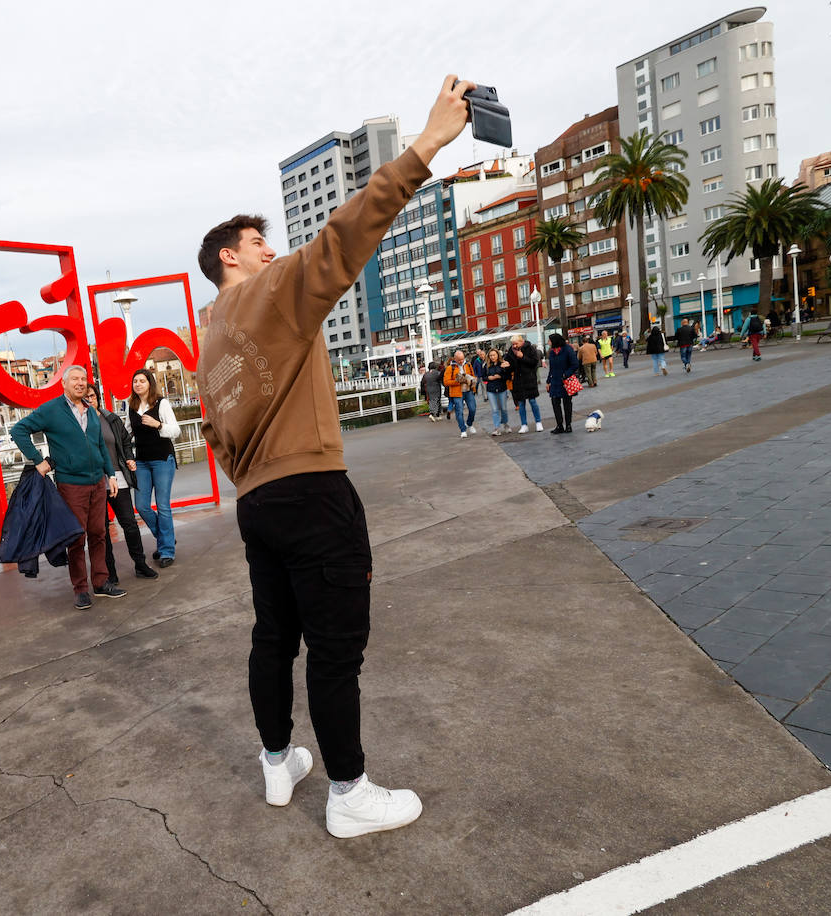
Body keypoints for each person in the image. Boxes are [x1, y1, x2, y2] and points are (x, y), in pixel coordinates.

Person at [194, 73, 475, 839]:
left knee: (273, 637)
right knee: (335, 649)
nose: (271, 249)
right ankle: (348, 793)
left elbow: (216, 436)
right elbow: (343, 238)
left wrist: (254, 477)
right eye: (257, 243)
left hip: (258, 504)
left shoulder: (210, 340)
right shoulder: (271, 293)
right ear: (230, 257)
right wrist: (427, 143)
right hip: (312, 492)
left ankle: (277, 760)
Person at [9, 365, 126, 609]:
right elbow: (18, 430)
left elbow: (100, 446)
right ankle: (81, 589)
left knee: (99, 534)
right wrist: (37, 460)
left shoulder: (91, 411)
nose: (80, 383)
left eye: (83, 379)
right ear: (64, 383)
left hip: (97, 482)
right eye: (75, 379)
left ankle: (101, 583)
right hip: (71, 484)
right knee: (76, 538)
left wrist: (111, 474)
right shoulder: (52, 410)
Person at [86, 383, 158, 582]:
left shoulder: (110, 418)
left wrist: (129, 458)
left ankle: (140, 564)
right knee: (101, 530)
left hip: (117, 476)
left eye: (92, 396)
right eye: (85, 398)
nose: (89, 400)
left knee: (129, 523)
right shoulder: (79, 422)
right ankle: (110, 574)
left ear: (97, 398)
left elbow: (125, 441)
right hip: (95, 480)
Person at [128, 368, 181, 568]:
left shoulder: (161, 403)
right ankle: (166, 538)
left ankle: (167, 550)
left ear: (150, 383)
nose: (138, 384)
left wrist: (157, 425)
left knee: (163, 505)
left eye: (142, 380)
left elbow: (176, 430)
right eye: (135, 381)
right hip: (141, 461)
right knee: (141, 505)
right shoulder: (131, 406)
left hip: (162, 459)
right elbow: (126, 433)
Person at [503, 335, 543, 433]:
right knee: (521, 403)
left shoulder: (530, 348)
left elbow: (534, 362)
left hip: (529, 379)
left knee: (532, 401)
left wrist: (523, 357)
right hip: (518, 380)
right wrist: (507, 366)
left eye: (516, 344)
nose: (514, 346)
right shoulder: (511, 351)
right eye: (513, 344)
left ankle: (538, 422)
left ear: (521, 342)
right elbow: (510, 366)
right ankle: (524, 424)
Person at [544, 332, 579, 434]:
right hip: (555, 381)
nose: (548, 342)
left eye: (549, 340)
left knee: (567, 403)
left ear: (555, 341)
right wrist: (548, 381)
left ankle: (568, 425)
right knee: (555, 403)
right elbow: (551, 368)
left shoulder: (567, 349)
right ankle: (559, 425)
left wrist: (565, 374)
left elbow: (575, 364)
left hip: (565, 381)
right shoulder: (552, 352)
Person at [443, 349, 478, 439]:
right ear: (455, 359)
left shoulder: (468, 365)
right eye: (459, 360)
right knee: (459, 412)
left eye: (462, 359)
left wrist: (473, 382)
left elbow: (473, 375)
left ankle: (469, 423)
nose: (461, 361)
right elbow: (446, 382)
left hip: (468, 390)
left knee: (473, 409)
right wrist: (458, 381)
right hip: (457, 392)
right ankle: (463, 430)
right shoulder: (450, 368)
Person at [481, 348, 509, 436]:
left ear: (498, 355)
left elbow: (507, 376)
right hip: (491, 390)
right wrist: (488, 378)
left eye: (494, 355)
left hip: (502, 388)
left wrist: (500, 376)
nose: (492, 357)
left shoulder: (502, 364)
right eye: (491, 355)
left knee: (503, 408)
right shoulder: (486, 365)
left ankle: (505, 423)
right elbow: (483, 377)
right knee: (495, 409)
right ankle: (497, 428)